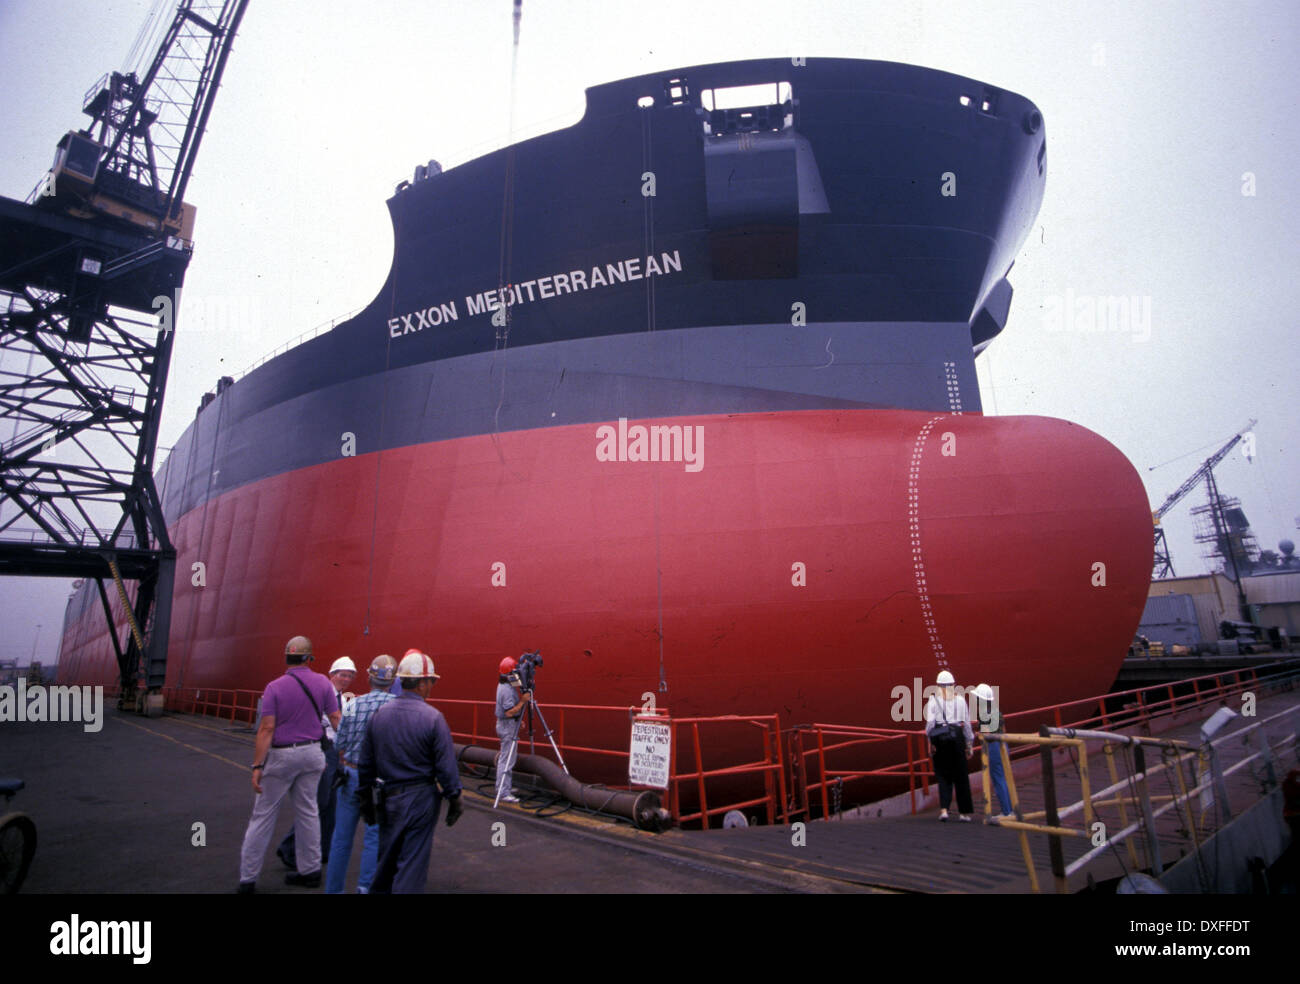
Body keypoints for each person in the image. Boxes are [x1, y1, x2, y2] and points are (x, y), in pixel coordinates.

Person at [238, 635, 340, 892]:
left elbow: (266, 728)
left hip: (282, 755)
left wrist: (257, 766)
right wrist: (345, 753)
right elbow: (336, 719)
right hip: (313, 753)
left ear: (287, 658)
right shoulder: (323, 683)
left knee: (263, 816)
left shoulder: (274, 687)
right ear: (309, 658)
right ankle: (311, 871)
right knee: (309, 813)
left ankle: (248, 880)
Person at [358, 649, 463, 893]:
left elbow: (365, 763)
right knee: (412, 865)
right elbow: (446, 768)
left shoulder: (379, 715)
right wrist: (455, 798)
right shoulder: (433, 718)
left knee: (386, 862)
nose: (432, 686)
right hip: (420, 799)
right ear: (423, 683)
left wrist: (365, 800)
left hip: (386, 798)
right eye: (431, 681)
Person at [326, 654, 397, 893]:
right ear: (392, 680)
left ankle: (333, 889)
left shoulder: (353, 704)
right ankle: (365, 888)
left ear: (368, 678)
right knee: (373, 838)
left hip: (351, 775)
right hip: (379, 781)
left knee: (341, 839)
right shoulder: (395, 707)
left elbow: (339, 743)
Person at [277, 655, 356, 869]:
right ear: (332, 674)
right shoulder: (323, 691)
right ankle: (289, 847)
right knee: (319, 803)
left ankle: (323, 850)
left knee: (331, 804)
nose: (346, 679)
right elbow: (330, 720)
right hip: (323, 749)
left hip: (334, 750)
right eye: (342, 674)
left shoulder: (340, 696)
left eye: (349, 676)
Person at [924, 669, 974, 822]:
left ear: (938, 685)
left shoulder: (933, 701)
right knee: (961, 776)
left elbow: (930, 724)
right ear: (953, 684)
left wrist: (930, 741)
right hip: (957, 736)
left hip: (940, 737)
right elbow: (966, 724)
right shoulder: (960, 700)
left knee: (943, 775)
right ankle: (963, 813)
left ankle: (944, 810)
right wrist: (969, 744)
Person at [494, 656, 531, 805]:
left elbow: (511, 713)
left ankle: (504, 787)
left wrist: (518, 719)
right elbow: (509, 712)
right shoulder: (507, 690)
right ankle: (503, 792)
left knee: (508, 758)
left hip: (508, 724)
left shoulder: (505, 684)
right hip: (507, 725)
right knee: (507, 760)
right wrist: (523, 701)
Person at [974, 683, 1014, 818]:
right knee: (1004, 777)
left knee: (997, 778)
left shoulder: (984, 714)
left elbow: (985, 733)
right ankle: (1010, 808)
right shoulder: (997, 712)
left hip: (992, 747)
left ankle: (1006, 811)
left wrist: (977, 734)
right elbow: (1004, 730)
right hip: (1003, 744)